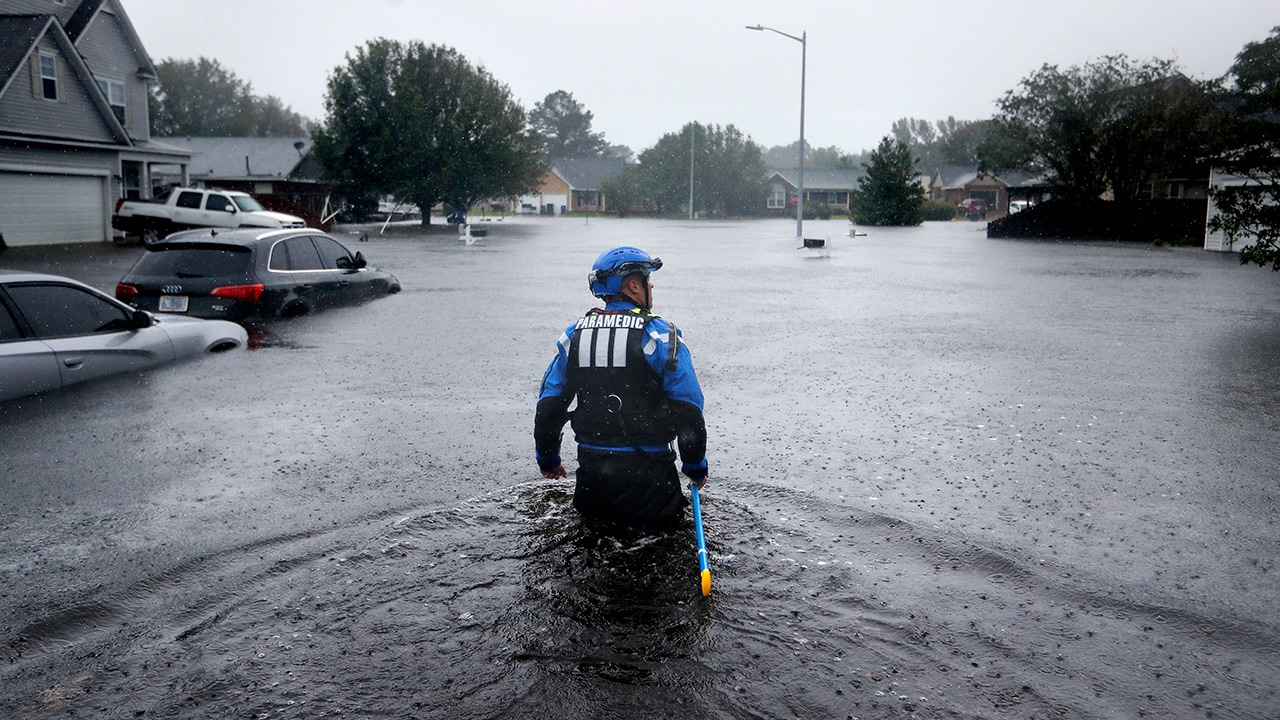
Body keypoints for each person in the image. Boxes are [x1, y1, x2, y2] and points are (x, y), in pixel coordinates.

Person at [534, 246, 708, 527]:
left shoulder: (574, 335)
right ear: (633, 285)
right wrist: (695, 466)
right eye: (647, 278)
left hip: (593, 477)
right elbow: (688, 409)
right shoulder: (661, 335)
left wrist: (548, 459)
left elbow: (549, 405)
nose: (651, 284)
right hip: (650, 482)